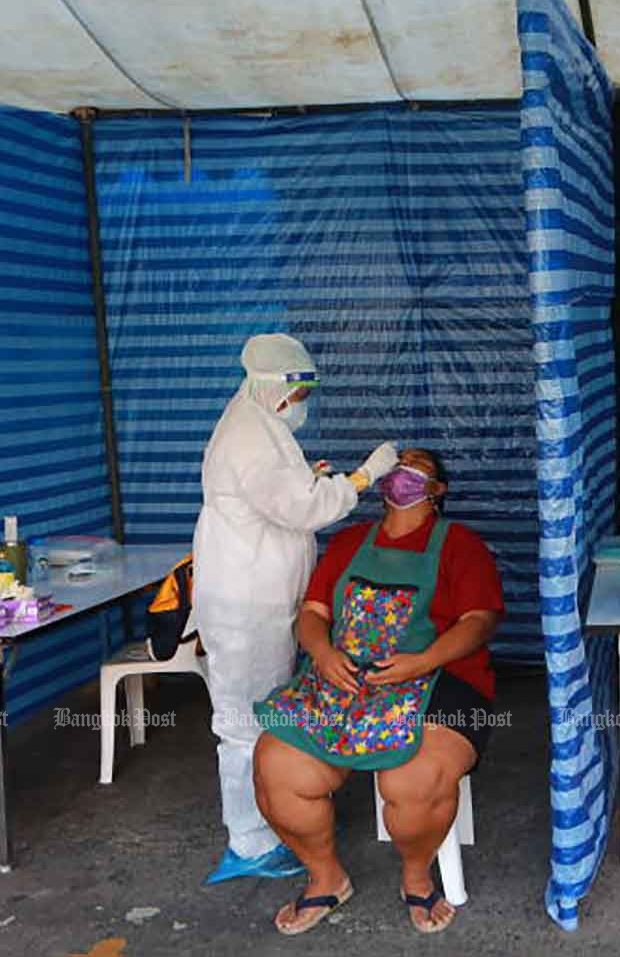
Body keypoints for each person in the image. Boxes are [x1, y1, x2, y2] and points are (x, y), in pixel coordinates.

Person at [253, 447, 502, 935]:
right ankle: (326, 877)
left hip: (440, 679)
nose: (402, 474)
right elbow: (314, 614)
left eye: (418, 469)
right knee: (274, 765)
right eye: (398, 466)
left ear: (437, 491)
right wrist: (323, 654)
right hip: (346, 680)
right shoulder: (348, 543)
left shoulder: (460, 545)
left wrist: (424, 660)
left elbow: (480, 621)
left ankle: (415, 875)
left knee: (414, 781)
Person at [193, 333, 400, 885]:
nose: (303, 402)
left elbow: (282, 494)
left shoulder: (259, 425)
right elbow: (302, 509)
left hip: (261, 594)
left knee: (264, 713)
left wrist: (310, 478)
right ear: (272, 388)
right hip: (246, 606)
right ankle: (251, 842)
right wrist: (361, 478)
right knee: (243, 724)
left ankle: (276, 815)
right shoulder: (249, 437)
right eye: (299, 391)